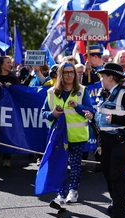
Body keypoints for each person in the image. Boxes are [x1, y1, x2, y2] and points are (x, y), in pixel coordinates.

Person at [85, 62, 125, 218]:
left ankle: (119, 214)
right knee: (108, 174)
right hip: (105, 140)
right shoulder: (103, 93)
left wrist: (115, 119)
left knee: (117, 176)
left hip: (121, 140)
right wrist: (92, 117)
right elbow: (103, 117)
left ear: (111, 77)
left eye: (103, 76)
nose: (100, 79)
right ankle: (116, 202)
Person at [41, 62, 95, 209]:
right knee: (60, 165)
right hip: (59, 136)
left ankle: (73, 190)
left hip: (77, 136)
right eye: (66, 72)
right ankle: (60, 194)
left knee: (76, 165)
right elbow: (43, 113)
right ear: (60, 74)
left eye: (72, 72)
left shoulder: (82, 91)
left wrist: (77, 106)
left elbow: (90, 110)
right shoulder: (51, 92)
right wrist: (53, 114)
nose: (70, 75)